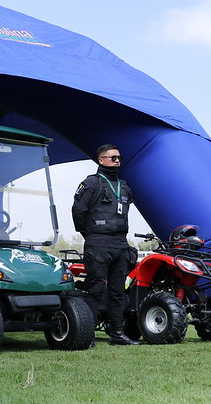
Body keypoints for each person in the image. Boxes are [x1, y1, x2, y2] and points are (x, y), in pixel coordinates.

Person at [71, 144, 140, 345]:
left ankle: (117, 334)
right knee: (96, 289)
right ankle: (87, 334)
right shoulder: (91, 183)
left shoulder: (124, 185)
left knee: (119, 291)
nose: (117, 160)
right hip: (98, 243)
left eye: (119, 157)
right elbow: (78, 212)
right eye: (112, 157)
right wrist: (91, 235)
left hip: (120, 244)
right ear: (101, 160)